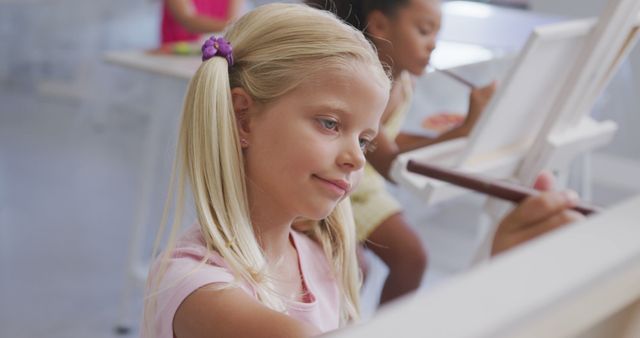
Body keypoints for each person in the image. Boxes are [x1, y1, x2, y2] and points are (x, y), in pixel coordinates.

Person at [141, 3, 584, 337]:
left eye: (365, 139)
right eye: (330, 123)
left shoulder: (318, 254)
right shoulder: (204, 291)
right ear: (243, 119)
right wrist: (498, 282)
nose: (357, 157)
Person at [306, 0, 500, 305]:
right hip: (339, 183)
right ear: (381, 25)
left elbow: (387, 139)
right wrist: (464, 130)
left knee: (411, 258)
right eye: (424, 31)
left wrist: (452, 132)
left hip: (364, 185)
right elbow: (388, 162)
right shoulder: (365, 82)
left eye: (437, 34)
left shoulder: (402, 80)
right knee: (361, 268)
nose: (433, 45)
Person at [161, 0, 245, 44]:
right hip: (174, 54)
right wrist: (238, 26)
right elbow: (187, 20)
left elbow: (233, 20)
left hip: (215, 55)